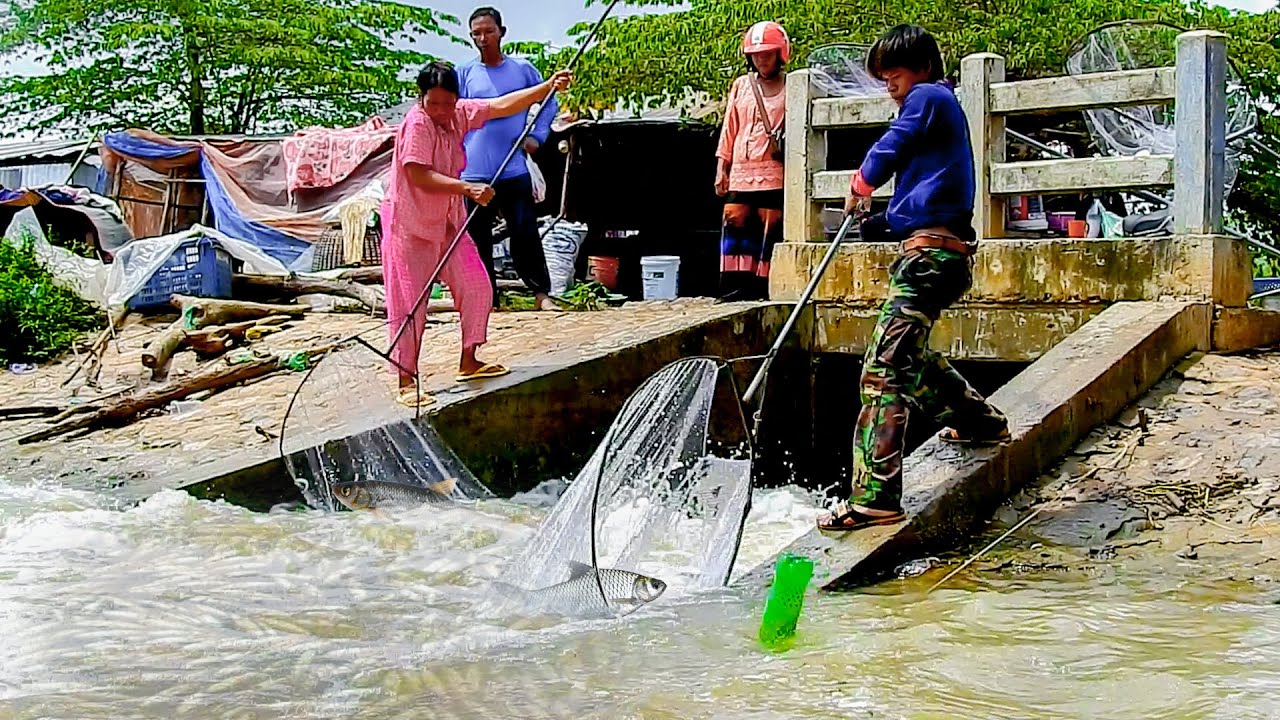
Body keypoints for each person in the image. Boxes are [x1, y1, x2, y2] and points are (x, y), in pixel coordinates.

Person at [817, 25, 1009, 532]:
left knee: (882, 371)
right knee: (911, 357)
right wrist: (877, 220)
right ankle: (978, 423)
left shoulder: (928, 97)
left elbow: (892, 144)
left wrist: (861, 182)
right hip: (934, 254)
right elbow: (919, 200)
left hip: (930, 260)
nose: (889, 86)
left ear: (922, 67)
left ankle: (876, 497)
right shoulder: (934, 110)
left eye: (893, 74)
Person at [380, 61, 572, 408]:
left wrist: (546, 88)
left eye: (447, 103)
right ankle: (406, 378)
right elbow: (418, 174)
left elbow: (502, 105)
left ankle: (469, 360)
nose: (440, 110)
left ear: (457, 98)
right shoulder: (417, 123)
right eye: (433, 102)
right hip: (411, 225)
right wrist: (465, 188)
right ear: (421, 98)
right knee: (410, 305)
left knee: (478, 286)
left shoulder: (459, 113)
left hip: (448, 221)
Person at [458, 7, 561, 312]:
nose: (483, 38)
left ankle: (541, 294)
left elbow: (549, 101)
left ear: (502, 31)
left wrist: (538, 137)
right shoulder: (464, 73)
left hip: (513, 167)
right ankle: (487, 300)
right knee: (477, 239)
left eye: (488, 31)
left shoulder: (523, 70)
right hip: (474, 171)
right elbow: (454, 116)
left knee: (525, 231)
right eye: (476, 33)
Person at [714, 20, 789, 302]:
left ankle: (760, 290)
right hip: (741, 170)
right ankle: (732, 288)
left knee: (768, 228)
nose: (762, 60)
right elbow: (729, 127)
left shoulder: (791, 85)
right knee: (734, 222)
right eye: (757, 55)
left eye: (767, 54)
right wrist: (722, 166)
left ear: (780, 54)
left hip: (774, 170)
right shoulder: (741, 86)